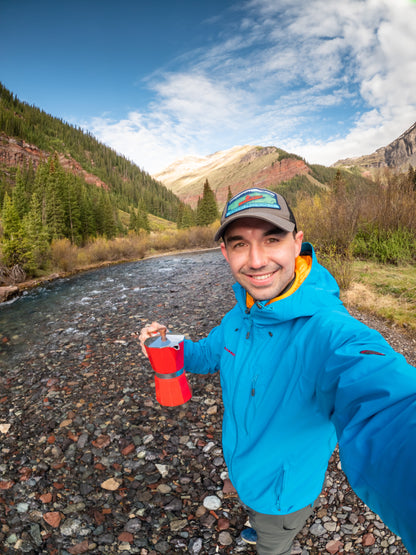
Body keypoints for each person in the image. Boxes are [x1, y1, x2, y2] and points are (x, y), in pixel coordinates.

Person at [139, 187, 416, 555]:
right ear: (225, 252)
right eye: (240, 244)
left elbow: (386, 403)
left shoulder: (329, 331)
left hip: (283, 495)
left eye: (271, 239)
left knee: (274, 546)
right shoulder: (239, 315)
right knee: (258, 514)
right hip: (247, 470)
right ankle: (259, 522)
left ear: (297, 243)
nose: (255, 260)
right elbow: (207, 354)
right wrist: (168, 347)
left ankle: (273, 535)